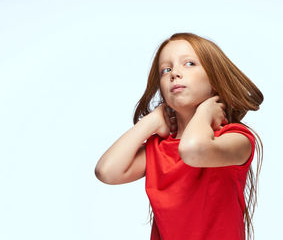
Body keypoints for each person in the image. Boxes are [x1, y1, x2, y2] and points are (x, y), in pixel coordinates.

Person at [95, 32, 264, 240]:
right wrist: (152, 121)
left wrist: (204, 113)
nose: (174, 73)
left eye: (189, 64)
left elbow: (192, 150)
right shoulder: (158, 148)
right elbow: (106, 171)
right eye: (166, 69)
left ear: (214, 79)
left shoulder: (237, 138)